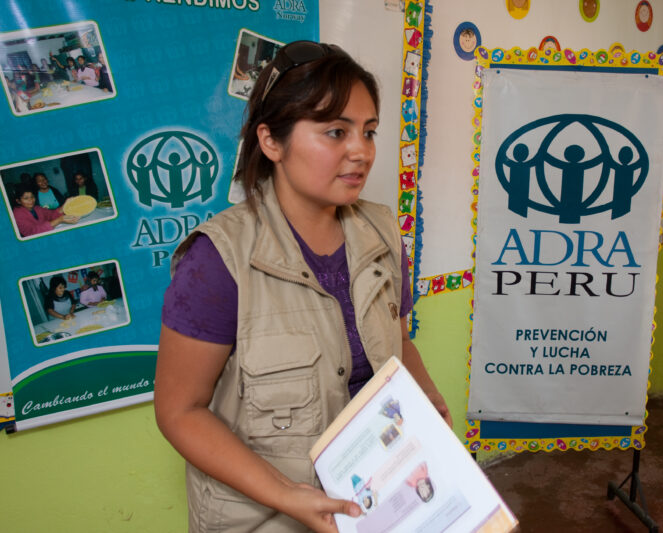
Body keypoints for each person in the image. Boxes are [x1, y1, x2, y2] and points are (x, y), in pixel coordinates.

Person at [154, 40, 452, 533]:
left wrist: (428, 401)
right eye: (336, 131)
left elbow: (397, 338)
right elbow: (179, 411)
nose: (361, 151)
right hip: (266, 516)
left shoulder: (382, 234)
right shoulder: (217, 261)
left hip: (380, 504)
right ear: (271, 141)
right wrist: (289, 496)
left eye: (369, 132)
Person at [12, 184, 77, 237]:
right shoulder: (17, 213)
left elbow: (52, 215)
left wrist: (64, 206)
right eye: (26, 198)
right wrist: (59, 220)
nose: (31, 200)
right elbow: (32, 232)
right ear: (18, 201)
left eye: (32, 197)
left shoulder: (37, 208)